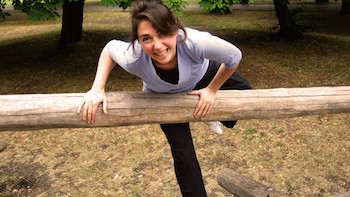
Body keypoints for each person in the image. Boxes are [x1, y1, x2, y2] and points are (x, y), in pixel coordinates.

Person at [77, 0, 251, 196]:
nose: (157, 46)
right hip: (162, 96)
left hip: (202, 76)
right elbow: (110, 49)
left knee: (245, 91)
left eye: (162, 34)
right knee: (183, 154)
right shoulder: (133, 55)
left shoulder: (195, 42)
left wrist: (211, 90)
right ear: (138, 41)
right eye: (147, 38)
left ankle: (207, 113)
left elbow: (234, 56)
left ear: (176, 30)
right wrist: (97, 88)